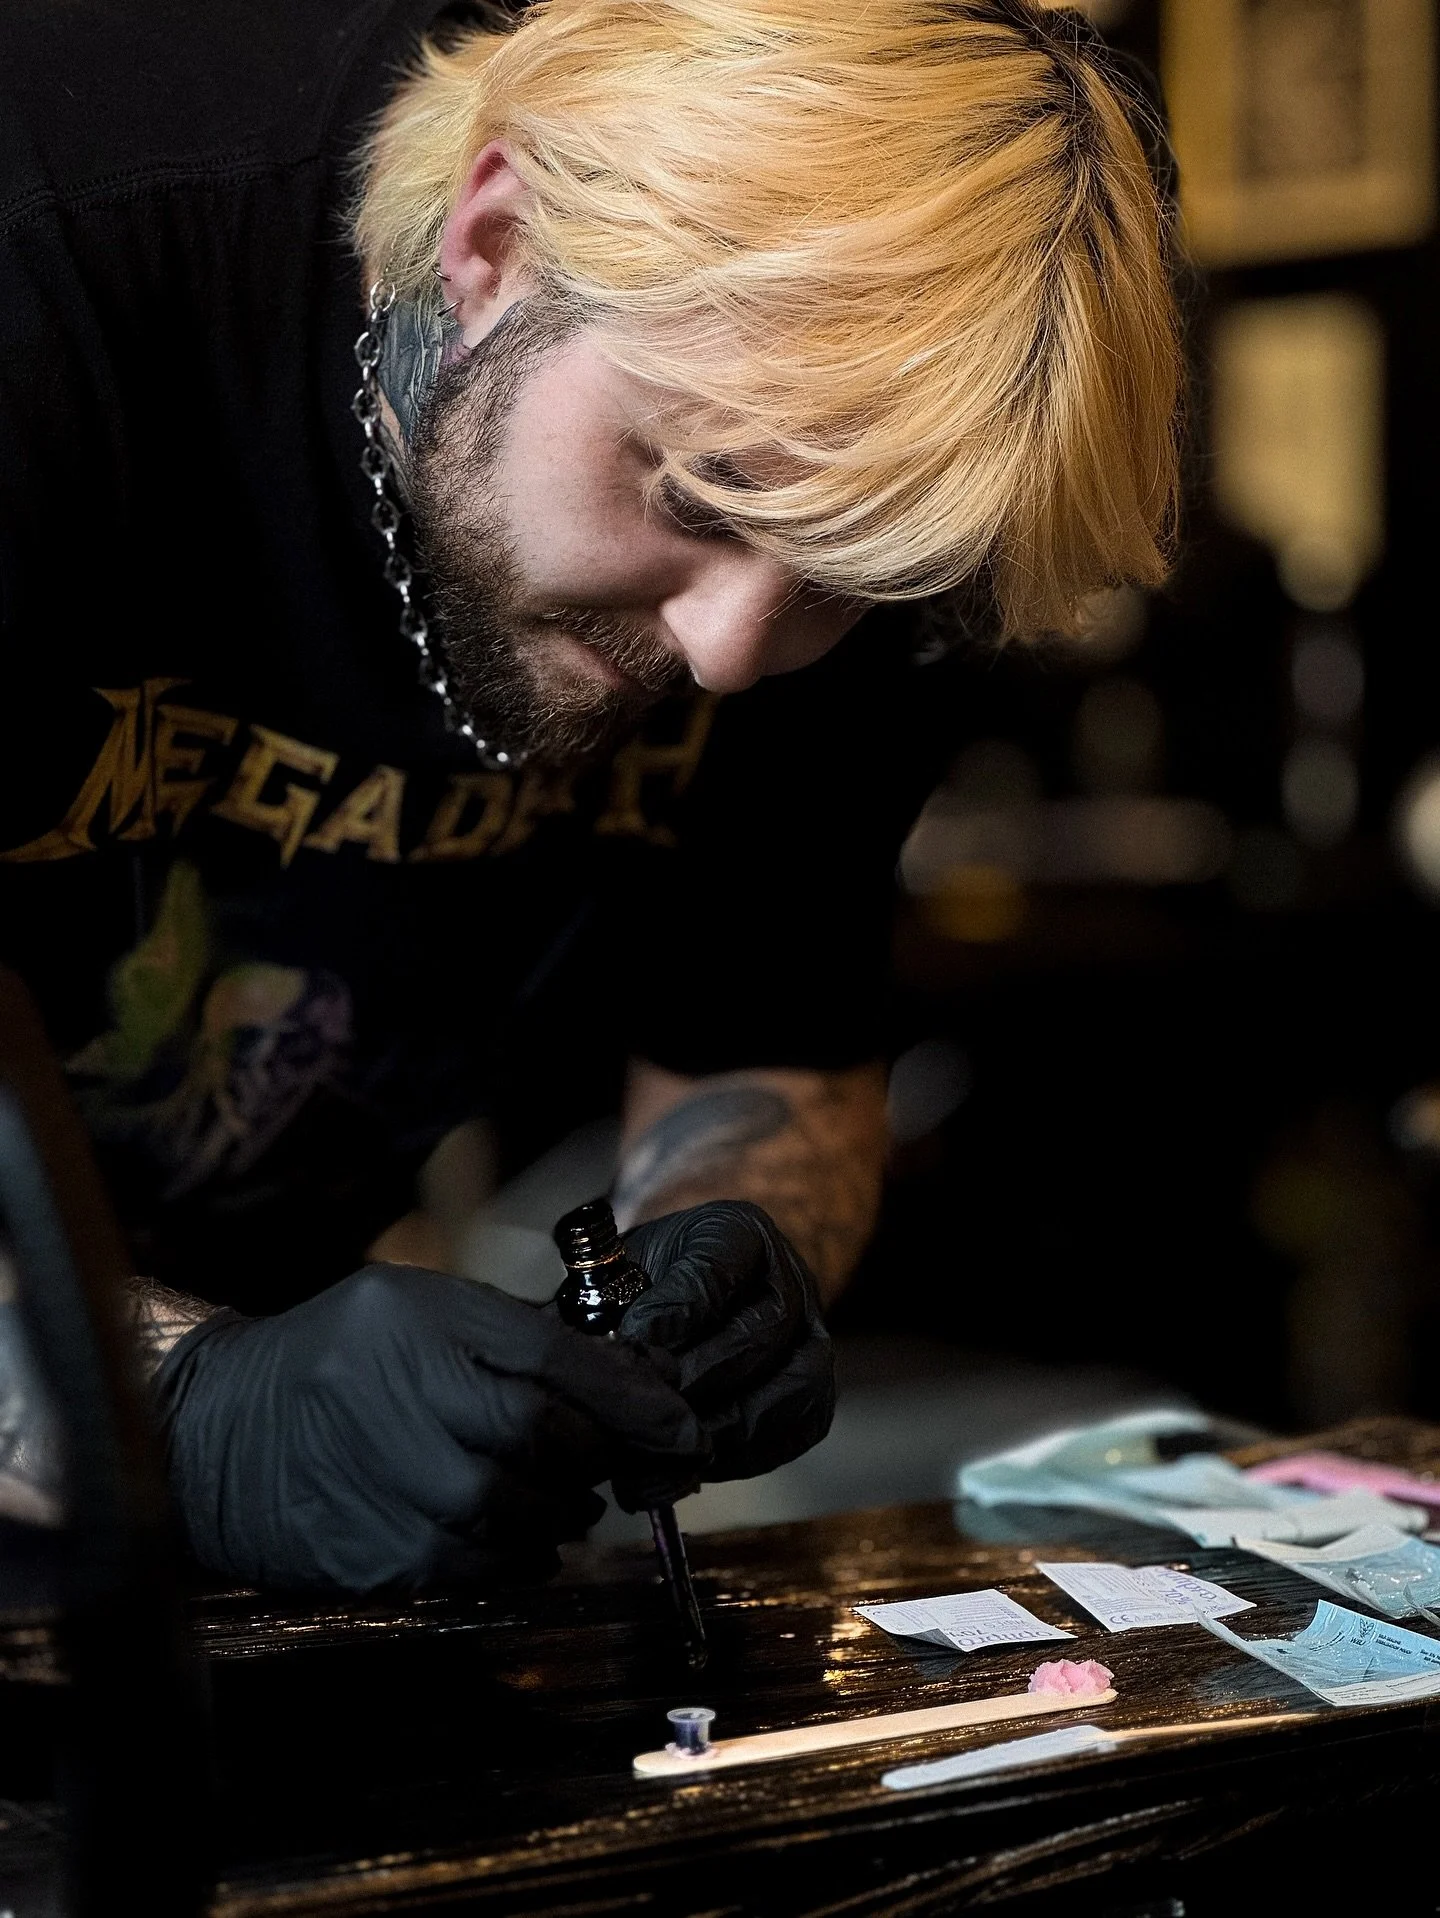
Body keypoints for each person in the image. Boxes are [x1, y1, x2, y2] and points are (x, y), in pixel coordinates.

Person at [0, 0, 1182, 1590]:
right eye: (690, 487)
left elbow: (767, 1034)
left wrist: (724, 1250)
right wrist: (187, 1413)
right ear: (492, 240)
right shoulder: (55, 261)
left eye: (834, 584)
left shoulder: (870, 504)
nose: (731, 650)